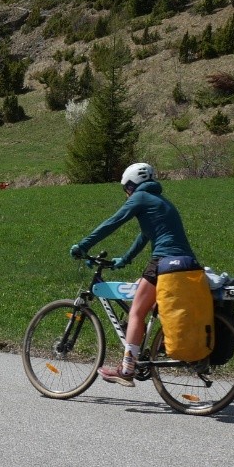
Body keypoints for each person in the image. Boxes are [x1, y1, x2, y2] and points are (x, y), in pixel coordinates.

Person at [68, 162, 196, 386]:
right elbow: (145, 235)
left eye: (126, 189)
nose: (126, 194)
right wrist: (125, 259)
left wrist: (83, 246)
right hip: (187, 263)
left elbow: (112, 223)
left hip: (164, 261)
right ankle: (143, 351)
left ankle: (127, 369)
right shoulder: (161, 202)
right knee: (140, 291)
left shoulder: (140, 198)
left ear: (131, 185)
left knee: (136, 310)